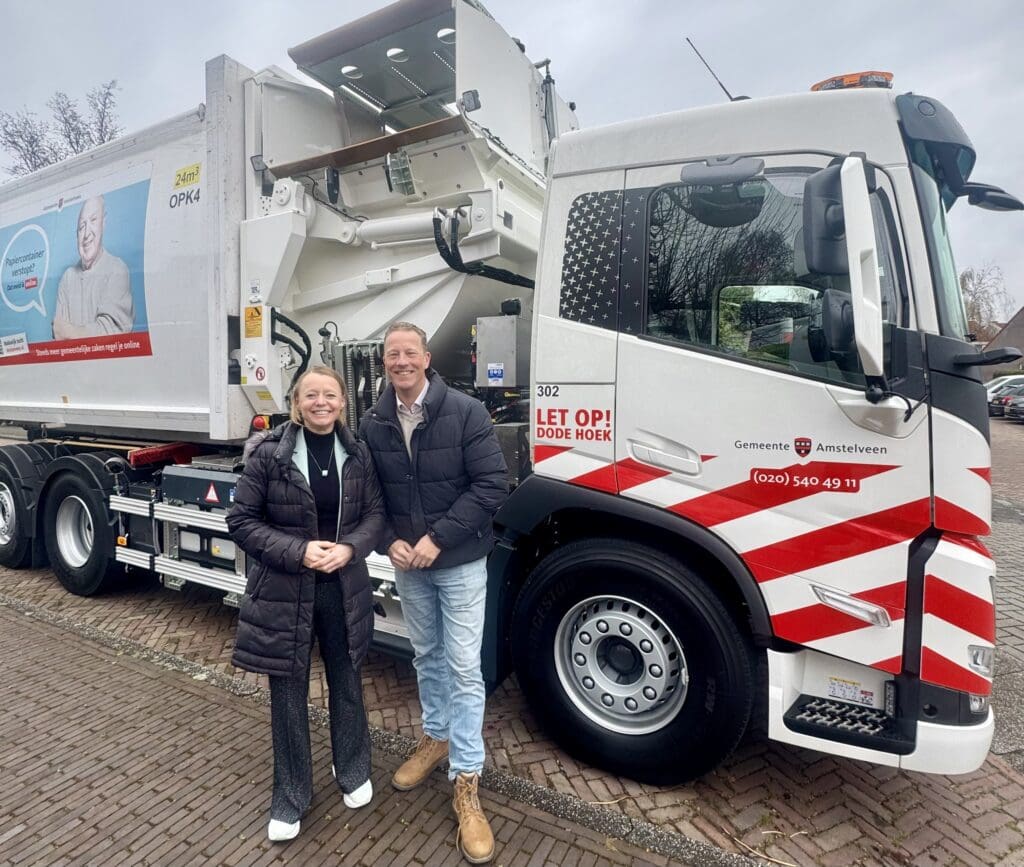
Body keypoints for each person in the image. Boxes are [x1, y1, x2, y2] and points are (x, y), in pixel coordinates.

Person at [359, 322, 508, 864]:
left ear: (426, 358)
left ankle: (466, 779)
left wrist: (437, 539)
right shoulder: (373, 421)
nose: (401, 361)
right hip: (409, 565)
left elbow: (492, 485)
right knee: (426, 656)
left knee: (464, 668)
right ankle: (436, 736)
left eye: (409, 352)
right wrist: (389, 541)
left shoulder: (466, 412)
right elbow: (369, 496)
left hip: (459, 563)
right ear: (384, 363)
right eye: (392, 354)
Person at [227, 366, 384, 842]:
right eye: (311, 395)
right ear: (296, 403)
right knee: (288, 693)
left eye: (329, 395)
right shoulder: (269, 454)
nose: (321, 402)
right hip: (285, 589)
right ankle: (291, 795)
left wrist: (350, 548)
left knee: (347, 679)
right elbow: (241, 520)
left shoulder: (357, 452)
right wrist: (299, 551)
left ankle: (352, 768)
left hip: (342, 585)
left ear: (342, 402)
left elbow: (375, 514)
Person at [52, 195, 134, 339]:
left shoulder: (117, 269)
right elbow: (58, 333)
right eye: (81, 227)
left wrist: (69, 332)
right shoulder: (68, 278)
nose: (86, 234)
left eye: (93, 220)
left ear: (104, 223)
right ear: (76, 235)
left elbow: (111, 334)